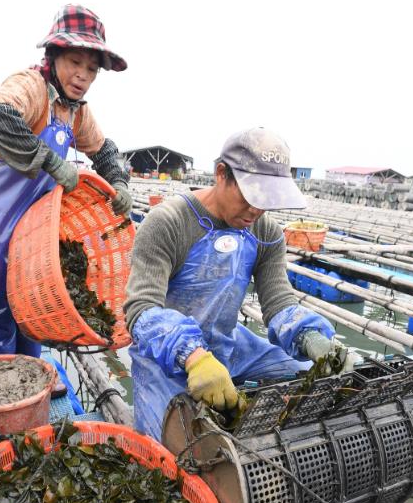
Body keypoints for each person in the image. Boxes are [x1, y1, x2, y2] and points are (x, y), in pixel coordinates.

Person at [125, 128, 354, 439]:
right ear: (222, 174)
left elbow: (278, 301)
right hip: (164, 356)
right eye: (251, 195)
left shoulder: (266, 232)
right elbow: (141, 310)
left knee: (309, 380)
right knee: (175, 446)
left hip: (228, 345)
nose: (256, 209)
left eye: (267, 199)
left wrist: (313, 340)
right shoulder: (168, 222)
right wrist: (194, 357)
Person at [0, 4, 133, 357]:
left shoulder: (75, 110)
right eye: (75, 63)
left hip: (27, 228)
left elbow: (104, 150)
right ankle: (0, 389)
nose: (83, 75)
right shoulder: (32, 85)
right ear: (54, 56)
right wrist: (50, 161)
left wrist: (119, 182)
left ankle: (31, 374)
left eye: (91, 69)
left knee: (28, 304)